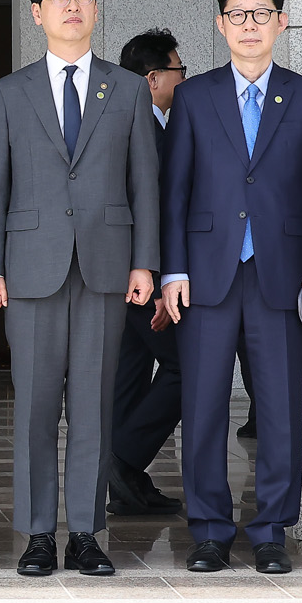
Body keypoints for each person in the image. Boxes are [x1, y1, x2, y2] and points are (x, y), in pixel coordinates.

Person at [0, 0, 158, 577]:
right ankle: (35, 534)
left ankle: (85, 531)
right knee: (33, 406)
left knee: (93, 404)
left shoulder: (128, 87)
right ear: (37, 12)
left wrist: (146, 262)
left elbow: (145, 184)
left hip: (107, 264)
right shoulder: (9, 91)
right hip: (30, 265)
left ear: (96, 6)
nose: (72, 2)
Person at [160, 0, 302, 576]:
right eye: (237, 14)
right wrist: (172, 271)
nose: (249, 24)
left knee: (279, 407)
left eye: (260, 13)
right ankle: (210, 530)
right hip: (207, 278)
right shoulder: (193, 97)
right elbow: (174, 194)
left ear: (280, 23)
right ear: (220, 25)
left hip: (281, 278)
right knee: (205, 407)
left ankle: (270, 530)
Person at [105, 28, 185, 517]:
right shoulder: (142, 129)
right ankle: (124, 458)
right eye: (180, 70)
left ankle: (126, 481)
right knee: (186, 366)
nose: (185, 79)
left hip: (122, 275)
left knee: (130, 374)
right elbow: (146, 209)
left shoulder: (136, 123)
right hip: (138, 278)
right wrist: (153, 278)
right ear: (153, 78)